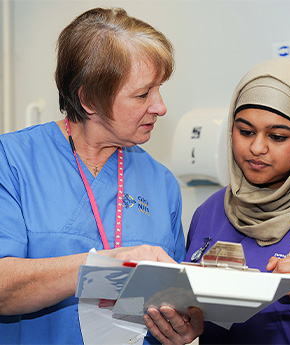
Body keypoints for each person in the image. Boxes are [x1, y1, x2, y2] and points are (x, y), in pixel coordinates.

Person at [0, 7, 187, 345]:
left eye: (159, 89)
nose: (160, 107)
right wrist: (104, 265)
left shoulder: (161, 183)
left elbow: (179, 299)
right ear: (89, 99)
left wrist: (184, 325)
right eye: (143, 94)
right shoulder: (12, 162)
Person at [144, 58, 290, 345]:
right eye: (245, 131)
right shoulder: (211, 212)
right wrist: (184, 325)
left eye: (278, 136)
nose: (257, 148)